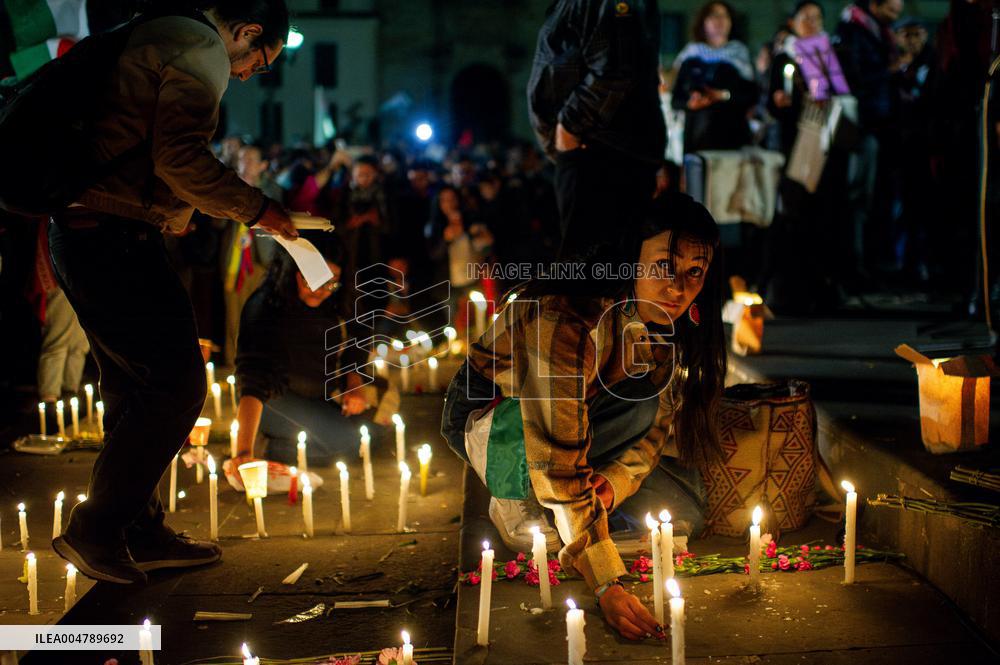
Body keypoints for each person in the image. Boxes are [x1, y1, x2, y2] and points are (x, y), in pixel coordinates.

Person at [48, 0, 297, 585]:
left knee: (134, 387)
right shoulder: (199, 47)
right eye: (259, 62)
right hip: (111, 236)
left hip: (88, 227)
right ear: (248, 32)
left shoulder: (158, 31)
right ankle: (97, 529)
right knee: (177, 384)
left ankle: (139, 529)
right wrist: (257, 208)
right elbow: (180, 156)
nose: (247, 75)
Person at [442, 192, 726, 641]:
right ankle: (524, 494)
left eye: (695, 272)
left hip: (584, 418)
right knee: (631, 415)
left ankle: (569, 509)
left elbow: (657, 428)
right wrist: (607, 583)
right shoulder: (565, 316)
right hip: (499, 417)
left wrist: (613, 483)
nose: (678, 287)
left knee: (686, 504)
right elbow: (556, 448)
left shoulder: (661, 321)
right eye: (663, 266)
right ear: (631, 256)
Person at [527, 0, 666, 264]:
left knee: (589, 270)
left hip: (599, 148)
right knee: (600, 267)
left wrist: (569, 126)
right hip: (601, 146)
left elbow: (615, 68)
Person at [232, 235, 386, 469]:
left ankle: (311, 434)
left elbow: (359, 333)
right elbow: (254, 379)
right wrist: (243, 452)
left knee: (373, 435)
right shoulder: (265, 307)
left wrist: (354, 381)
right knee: (349, 445)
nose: (320, 290)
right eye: (311, 280)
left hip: (319, 395)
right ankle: (266, 447)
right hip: (272, 398)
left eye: (331, 283)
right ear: (293, 272)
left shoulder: (339, 298)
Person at [833, 0, 904, 276]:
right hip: (863, 125)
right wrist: (889, 71)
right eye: (892, 7)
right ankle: (856, 265)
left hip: (881, 123)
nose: (896, 13)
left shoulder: (878, 31)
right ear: (875, 4)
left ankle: (872, 262)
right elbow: (853, 77)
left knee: (874, 196)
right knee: (859, 196)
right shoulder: (853, 31)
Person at [671, 1, 758, 154]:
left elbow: (751, 95)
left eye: (724, 16)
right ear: (703, 22)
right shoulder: (690, 57)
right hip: (697, 139)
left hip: (731, 137)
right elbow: (676, 99)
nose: (719, 21)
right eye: (713, 16)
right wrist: (691, 103)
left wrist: (723, 95)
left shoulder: (739, 54)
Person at [29, 221, 90, 427]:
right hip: (61, 278)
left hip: (82, 279)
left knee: (79, 343)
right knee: (58, 340)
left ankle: (69, 394)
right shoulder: (53, 216)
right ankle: (50, 401)